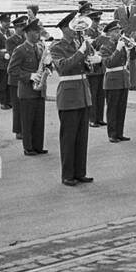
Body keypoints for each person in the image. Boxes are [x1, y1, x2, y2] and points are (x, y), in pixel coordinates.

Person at [50, 16, 93, 187]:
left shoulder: (78, 44)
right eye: (72, 27)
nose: (77, 29)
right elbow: (64, 66)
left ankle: (80, 172)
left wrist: (91, 62)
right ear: (64, 29)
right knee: (69, 138)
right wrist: (81, 52)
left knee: (82, 137)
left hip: (82, 94)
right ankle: (68, 174)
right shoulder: (56, 47)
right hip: (68, 95)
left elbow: (83, 67)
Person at [8, 19, 49, 156]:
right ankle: (28, 147)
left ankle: (38, 146)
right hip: (27, 91)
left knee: (39, 120)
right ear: (28, 33)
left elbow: (43, 65)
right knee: (27, 121)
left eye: (38, 32)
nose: (38, 34)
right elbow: (12, 70)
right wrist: (29, 76)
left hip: (39, 90)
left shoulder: (40, 47)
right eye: (36, 32)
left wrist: (48, 66)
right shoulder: (20, 50)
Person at [99, 19, 131, 142]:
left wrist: (128, 50)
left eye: (119, 31)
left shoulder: (121, 44)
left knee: (121, 108)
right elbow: (109, 63)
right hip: (112, 80)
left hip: (123, 78)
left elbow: (125, 61)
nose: (119, 34)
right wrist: (117, 50)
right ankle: (112, 134)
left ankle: (120, 132)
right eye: (116, 32)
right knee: (113, 108)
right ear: (109, 33)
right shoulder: (105, 47)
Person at [0, 13, 13, 110]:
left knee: (10, 83)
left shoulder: (10, 33)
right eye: (5, 22)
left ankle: (10, 101)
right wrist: (3, 55)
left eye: (8, 21)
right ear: (1, 22)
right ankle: (3, 102)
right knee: (3, 84)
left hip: (11, 62)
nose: (7, 24)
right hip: (3, 63)